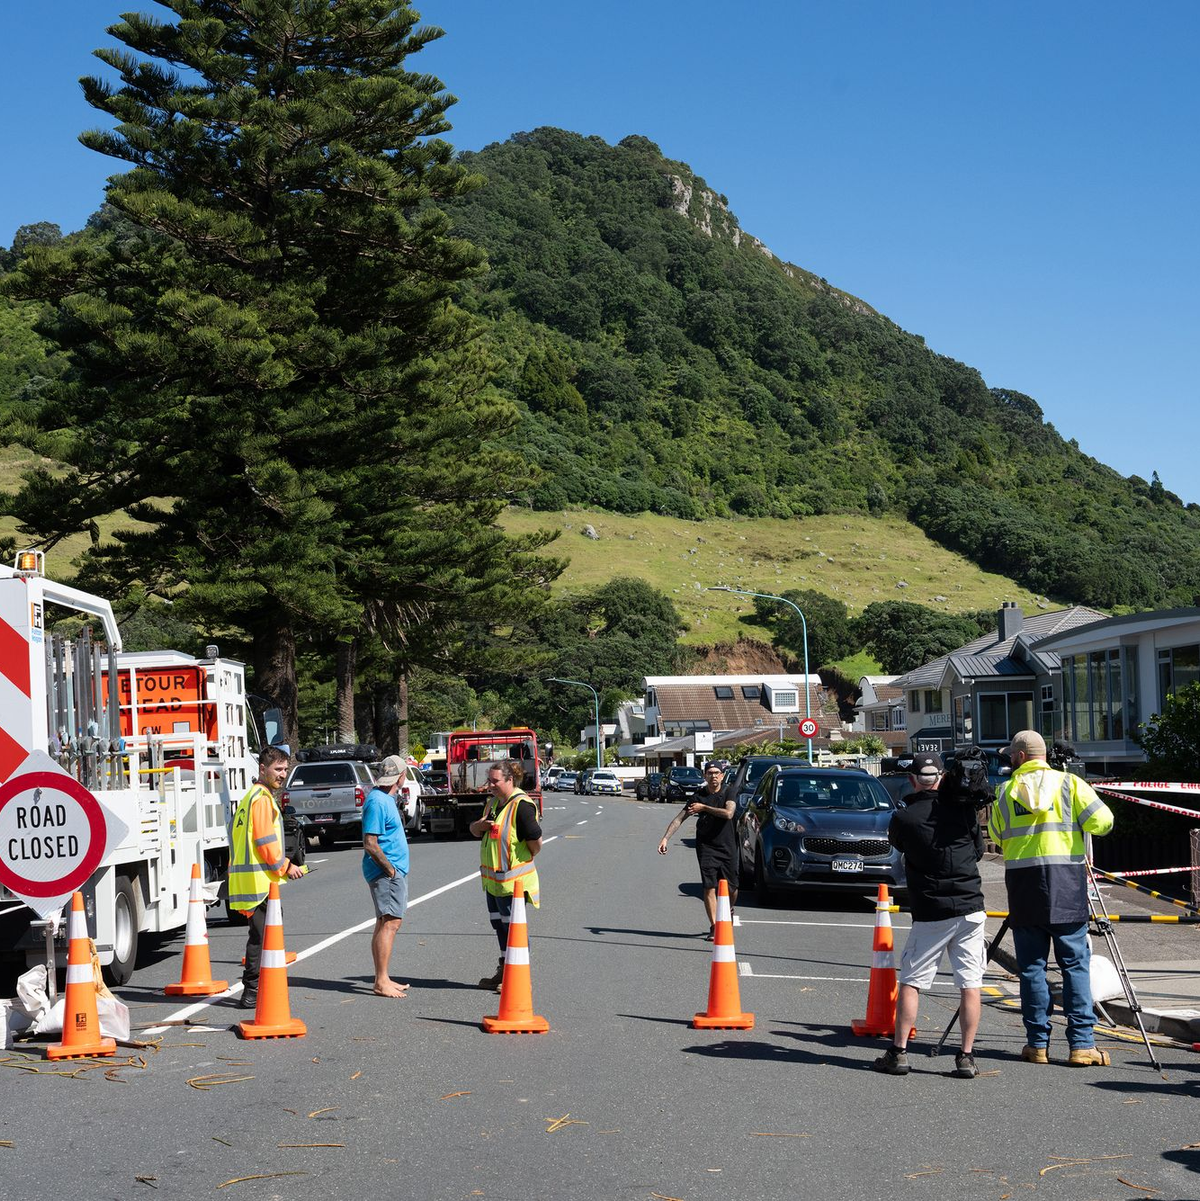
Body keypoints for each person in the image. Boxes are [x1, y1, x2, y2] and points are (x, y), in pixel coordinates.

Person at [989, 730, 1114, 1066]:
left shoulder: (1005, 791)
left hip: (1024, 888)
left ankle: (1037, 1044)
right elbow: (1104, 822)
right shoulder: (1071, 785)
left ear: (1018, 757)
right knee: (1075, 966)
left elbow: (996, 835)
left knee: (1031, 969)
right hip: (1065, 888)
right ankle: (1082, 1045)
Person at [873, 751, 986, 1079]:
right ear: (941, 777)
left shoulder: (905, 817)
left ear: (912, 780)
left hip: (931, 909)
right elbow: (978, 851)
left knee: (912, 981)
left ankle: (899, 1052)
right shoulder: (965, 809)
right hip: (970, 906)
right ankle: (966, 1056)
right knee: (970, 984)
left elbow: (898, 844)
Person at [228, 746, 305, 1008]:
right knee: (262, 939)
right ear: (263, 768)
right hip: (260, 883)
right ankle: (252, 991)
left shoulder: (250, 797)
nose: (282, 775)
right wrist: (285, 866)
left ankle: (257, 990)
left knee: (261, 937)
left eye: (285, 769)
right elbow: (264, 842)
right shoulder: (261, 799)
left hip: (253, 881)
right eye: (277, 769)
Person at [469, 759, 542, 990]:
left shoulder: (522, 806)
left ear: (510, 780)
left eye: (495, 781)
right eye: (488, 780)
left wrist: (522, 860)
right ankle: (504, 971)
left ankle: (519, 980)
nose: (490, 785)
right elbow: (475, 830)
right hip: (493, 883)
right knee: (500, 928)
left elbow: (536, 842)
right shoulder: (493, 804)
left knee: (515, 931)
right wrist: (479, 826)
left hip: (513, 884)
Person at [657, 762, 737, 939]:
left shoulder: (729, 792)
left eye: (717, 773)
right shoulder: (698, 796)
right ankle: (715, 926)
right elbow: (679, 819)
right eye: (710, 773)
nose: (713, 776)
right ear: (704, 776)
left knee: (732, 888)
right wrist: (665, 838)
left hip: (727, 845)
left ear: (722, 776)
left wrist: (705, 808)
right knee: (709, 887)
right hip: (706, 846)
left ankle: (729, 909)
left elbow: (729, 813)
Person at [362, 755, 411, 998]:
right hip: (386, 873)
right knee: (390, 922)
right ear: (400, 776)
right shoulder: (379, 801)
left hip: (390, 871)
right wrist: (390, 870)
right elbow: (370, 843)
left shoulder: (385, 799)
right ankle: (381, 980)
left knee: (385, 921)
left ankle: (383, 977)